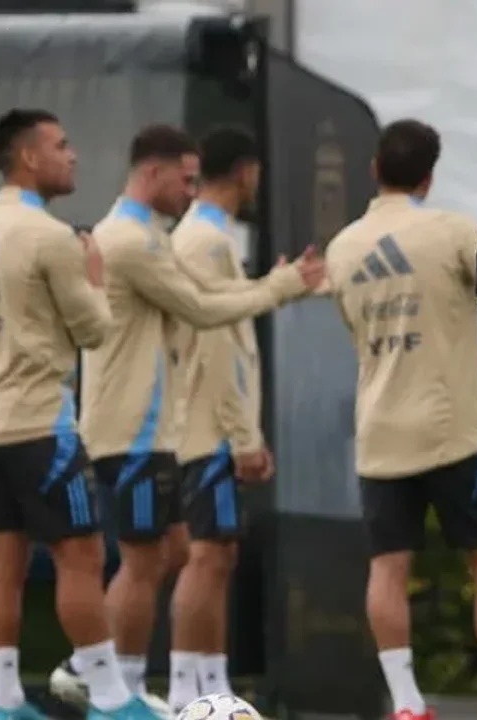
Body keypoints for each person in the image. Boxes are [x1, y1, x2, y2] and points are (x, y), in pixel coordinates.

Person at [53, 124, 326, 706]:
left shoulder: (149, 235)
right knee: (152, 558)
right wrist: (281, 285)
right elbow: (205, 314)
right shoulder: (136, 239)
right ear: (153, 173)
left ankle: (108, 671)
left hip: (154, 429)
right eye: (185, 179)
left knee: (177, 553)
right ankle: (112, 688)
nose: (192, 191)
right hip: (134, 429)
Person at [326, 119, 477, 720]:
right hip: (452, 432)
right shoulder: (450, 231)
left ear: (375, 171)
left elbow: (352, 330)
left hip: (379, 433)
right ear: (429, 175)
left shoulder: (344, 248)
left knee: (388, 569)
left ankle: (407, 706)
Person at [0, 108, 157, 720]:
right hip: (40, 422)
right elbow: (94, 331)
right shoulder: (49, 237)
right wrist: (95, 277)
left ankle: (6, 703)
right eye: (62, 146)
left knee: (4, 563)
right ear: (29, 158)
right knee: (82, 556)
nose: (74, 157)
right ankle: (114, 700)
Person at [166, 126, 275, 712]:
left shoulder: (205, 236)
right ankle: (192, 692)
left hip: (205, 423)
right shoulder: (207, 241)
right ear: (244, 170)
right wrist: (244, 437)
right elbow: (219, 344)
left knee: (216, 554)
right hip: (208, 427)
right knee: (206, 555)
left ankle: (211, 685)